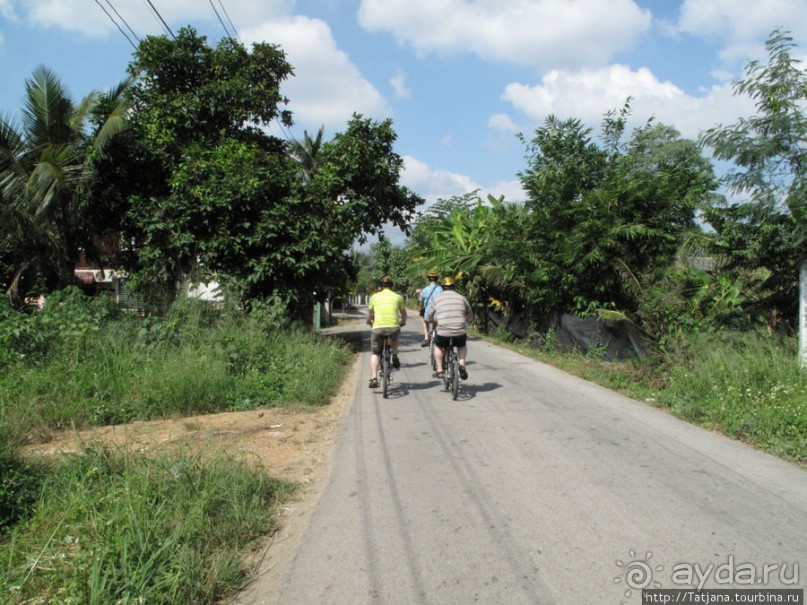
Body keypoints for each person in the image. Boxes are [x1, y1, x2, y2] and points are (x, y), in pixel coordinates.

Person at [427, 276, 474, 380]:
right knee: (462, 345)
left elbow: (429, 316)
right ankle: (462, 364)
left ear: (443, 287)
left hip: (443, 332)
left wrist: (432, 321)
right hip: (459, 331)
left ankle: (439, 370)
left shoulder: (437, 298)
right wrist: (465, 321)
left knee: (438, 346)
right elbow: (470, 316)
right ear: (454, 287)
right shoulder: (462, 298)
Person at [366, 276, 407, 389]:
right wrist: (403, 322)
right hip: (393, 327)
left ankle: (374, 378)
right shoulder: (397, 297)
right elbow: (404, 314)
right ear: (391, 286)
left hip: (378, 328)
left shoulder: (374, 297)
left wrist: (369, 322)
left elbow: (370, 314)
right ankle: (394, 354)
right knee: (395, 337)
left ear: (380, 287)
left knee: (375, 353)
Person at [418, 271, 443, 347]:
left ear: (429, 279)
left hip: (428, 314)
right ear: (437, 279)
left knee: (425, 322)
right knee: (438, 324)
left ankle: (426, 338)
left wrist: (420, 308)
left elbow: (421, 301)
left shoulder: (425, 289)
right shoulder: (440, 289)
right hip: (439, 314)